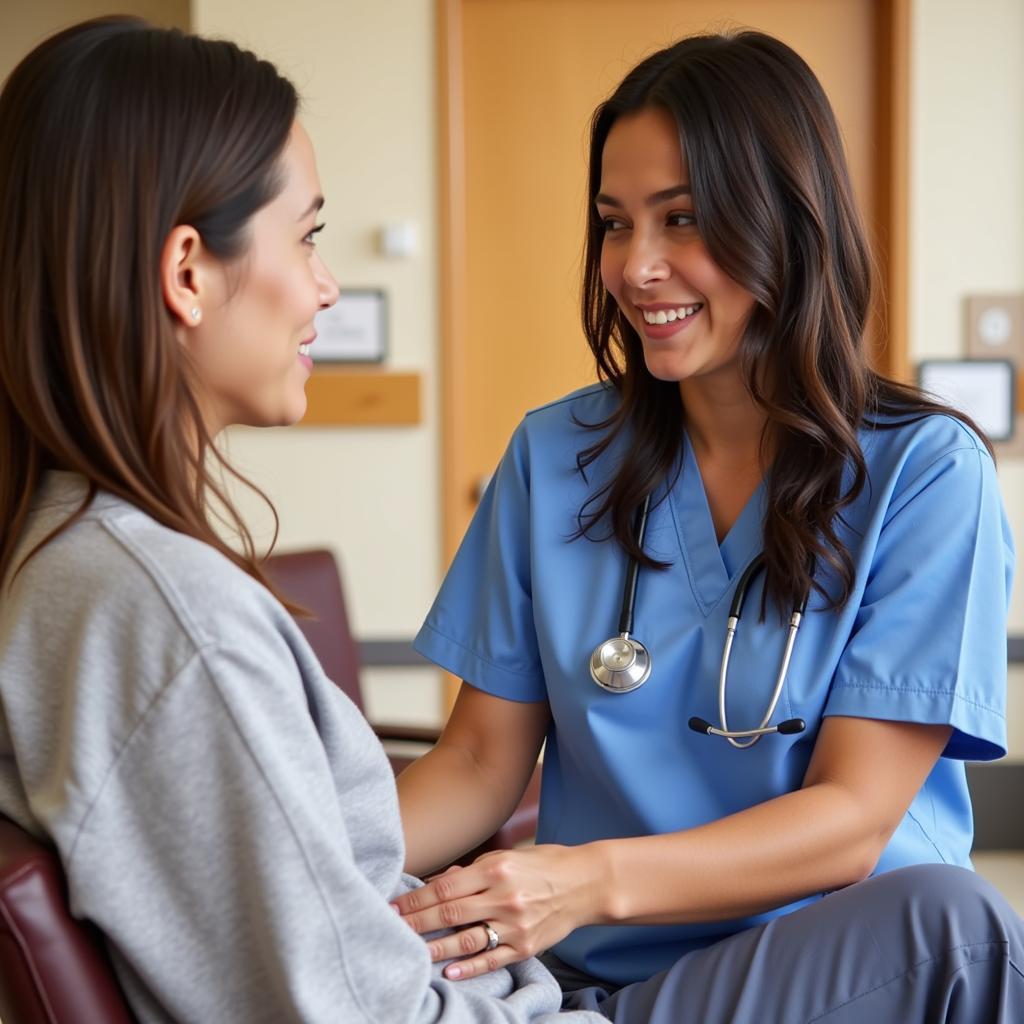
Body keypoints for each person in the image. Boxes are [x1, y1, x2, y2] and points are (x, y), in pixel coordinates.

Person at [394, 30, 1024, 1021]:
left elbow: (851, 820)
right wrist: (299, 856)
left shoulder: (922, 474)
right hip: (598, 983)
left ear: (786, 221)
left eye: (680, 219)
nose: (636, 267)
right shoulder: (553, 457)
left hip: (824, 968)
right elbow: (477, 762)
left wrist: (582, 880)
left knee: (960, 921)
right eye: (613, 224)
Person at [0, 17, 614, 1024]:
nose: (326, 287)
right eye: (309, 236)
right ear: (189, 272)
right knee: (948, 929)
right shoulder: (171, 619)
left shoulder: (67, 561)